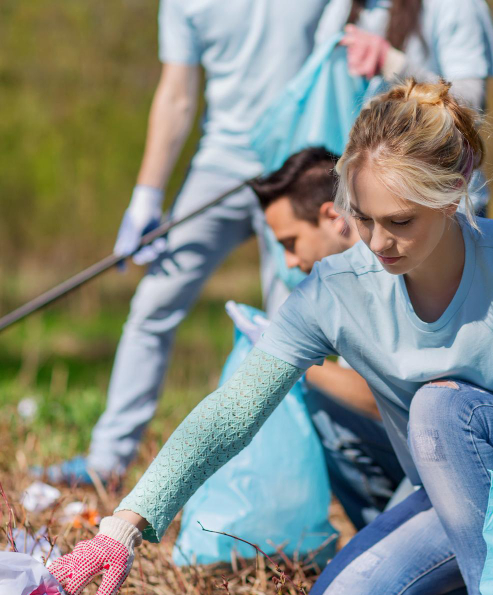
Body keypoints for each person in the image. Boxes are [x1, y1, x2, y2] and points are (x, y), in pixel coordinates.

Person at [46, 80, 493, 595]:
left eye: (401, 222)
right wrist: (126, 524)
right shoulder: (337, 290)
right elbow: (234, 410)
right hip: (468, 510)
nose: (378, 244)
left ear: (455, 189)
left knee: (440, 406)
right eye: (363, 218)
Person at [39, 0, 330, 486]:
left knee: (290, 327)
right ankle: (106, 461)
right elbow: (176, 94)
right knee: (153, 303)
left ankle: (287, 479)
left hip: (300, 165)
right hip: (219, 167)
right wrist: (145, 198)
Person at [246, 146, 407, 529]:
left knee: (322, 402)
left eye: (290, 242)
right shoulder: (342, 282)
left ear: (332, 216)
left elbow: (380, 397)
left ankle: (387, 534)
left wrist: (293, 360)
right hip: (415, 448)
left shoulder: (388, 269)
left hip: (448, 456)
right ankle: (385, 532)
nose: (288, 260)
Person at [316, 0, 493, 213]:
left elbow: (471, 103)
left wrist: (393, 64)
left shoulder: (454, 5)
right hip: (356, 200)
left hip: (439, 204)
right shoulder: (339, 8)